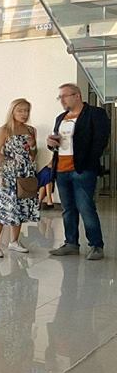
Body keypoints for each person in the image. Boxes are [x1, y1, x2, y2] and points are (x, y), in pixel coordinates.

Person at [47, 83, 110, 260]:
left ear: (77, 95)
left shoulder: (95, 114)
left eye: (64, 96)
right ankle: (71, 243)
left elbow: (100, 141)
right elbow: (58, 143)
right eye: (59, 97)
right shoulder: (60, 118)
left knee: (85, 207)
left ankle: (96, 245)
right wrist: (51, 144)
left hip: (82, 169)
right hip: (61, 169)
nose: (62, 100)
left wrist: (88, 163)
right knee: (68, 209)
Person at [0, 98, 39, 258]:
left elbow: (33, 154)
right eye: (20, 110)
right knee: (1, 207)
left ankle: (14, 241)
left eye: (27, 111)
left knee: (20, 206)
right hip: (6, 174)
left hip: (24, 172)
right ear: (12, 112)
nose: (24, 114)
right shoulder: (4, 130)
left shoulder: (31, 130)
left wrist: (33, 145)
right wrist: (3, 169)